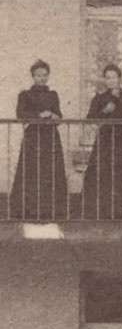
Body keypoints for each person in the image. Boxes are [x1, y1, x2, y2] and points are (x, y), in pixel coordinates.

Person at [81, 63, 122, 220]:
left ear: (119, 79)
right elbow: (91, 118)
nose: (111, 80)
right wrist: (105, 111)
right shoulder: (100, 98)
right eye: (107, 78)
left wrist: (117, 100)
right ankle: (102, 211)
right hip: (105, 141)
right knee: (102, 173)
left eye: (114, 77)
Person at [10, 59, 68, 220]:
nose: (42, 78)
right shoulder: (25, 95)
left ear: (48, 76)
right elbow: (21, 115)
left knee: (50, 171)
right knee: (31, 170)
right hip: (33, 137)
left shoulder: (52, 94)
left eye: (44, 75)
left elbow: (59, 115)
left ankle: (51, 210)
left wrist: (55, 116)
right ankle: (29, 209)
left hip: (50, 137)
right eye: (38, 75)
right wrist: (39, 115)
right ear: (32, 76)